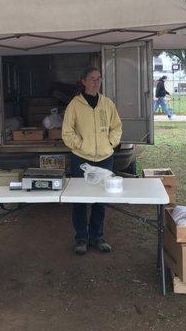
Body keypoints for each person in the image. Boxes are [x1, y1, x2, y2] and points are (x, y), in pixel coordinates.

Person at [62, 67, 123, 255]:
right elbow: (67, 131)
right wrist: (80, 144)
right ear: (84, 82)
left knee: (100, 200)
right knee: (80, 199)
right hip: (82, 158)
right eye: (92, 79)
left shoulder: (107, 104)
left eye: (99, 79)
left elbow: (117, 127)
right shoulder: (75, 104)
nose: (97, 82)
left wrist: (110, 143)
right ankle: (81, 238)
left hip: (105, 158)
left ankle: (97, 237)